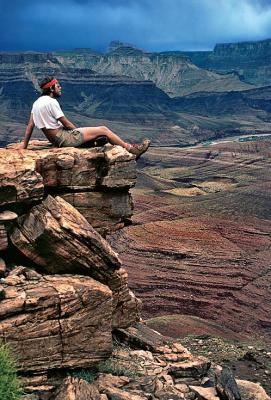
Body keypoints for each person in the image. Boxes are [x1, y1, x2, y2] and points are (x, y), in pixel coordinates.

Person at [22, 76, 151, 159]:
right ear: (51, 88)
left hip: (56, 141)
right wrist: (76, 132)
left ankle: (92, 142)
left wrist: (24, 147)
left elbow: (30, 127)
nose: (60, 88)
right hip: (64, 138)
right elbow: (66, 124)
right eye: (58, 86)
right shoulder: (51, 102)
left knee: (100, 138)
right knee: (103, 129)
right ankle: (131, 149)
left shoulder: (37, 103)